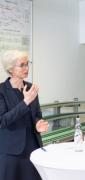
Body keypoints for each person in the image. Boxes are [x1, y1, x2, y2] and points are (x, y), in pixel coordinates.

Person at [0, 50, 49, 180]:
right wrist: (25, 101)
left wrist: (38, 124)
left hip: (33, 148)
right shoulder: (1, 91)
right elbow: (2, 121)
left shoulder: (31, 88)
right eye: (22, 65)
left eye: (27, 64)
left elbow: (37, 114)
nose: (26, 68)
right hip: (11, 153)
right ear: (10, 69)